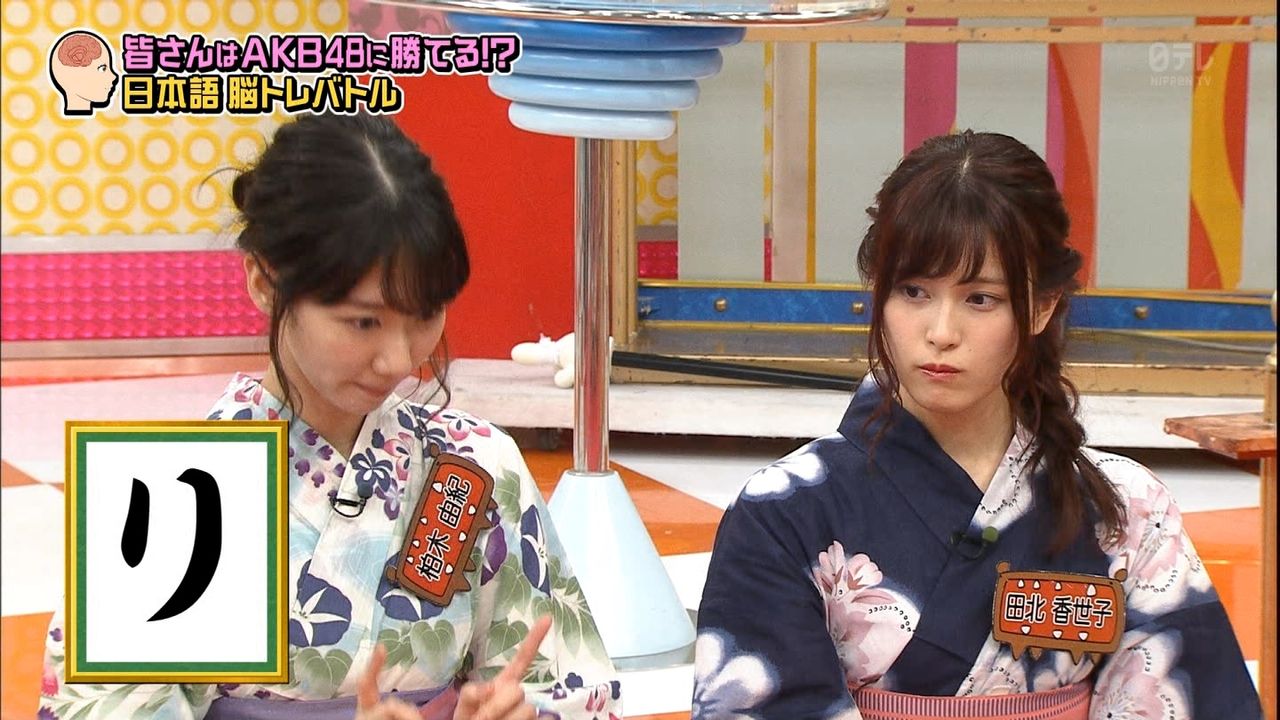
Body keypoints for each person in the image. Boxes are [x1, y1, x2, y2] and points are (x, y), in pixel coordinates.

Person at [39, 114, 621, 719]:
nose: (399, 359)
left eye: (425, 316)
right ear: (265, 282)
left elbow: (571, 687)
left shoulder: (477, 463)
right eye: (363, 322)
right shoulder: (184, 493)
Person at [691, 131, 1261, 719]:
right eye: (913, 291)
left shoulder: (1128, 507)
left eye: (980, 299)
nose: (941, 332)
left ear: (1041, 306)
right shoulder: (785, 511)